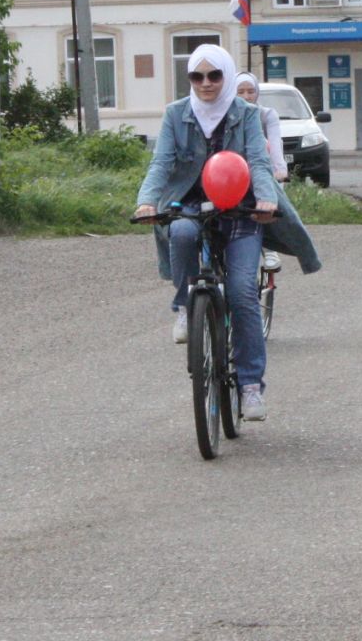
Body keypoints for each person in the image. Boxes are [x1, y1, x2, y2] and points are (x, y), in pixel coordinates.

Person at [135, 44, 321, 421]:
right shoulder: (175, 114)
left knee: (241, 292)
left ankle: (251, 386)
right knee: (183, 235)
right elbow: (161, 163)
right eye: (197, 76)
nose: (206, 84)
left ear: (227, 75)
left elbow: (257, 160)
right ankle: (186, 306)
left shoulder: (247, 114)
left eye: (214, 75)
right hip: (190, 206)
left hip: (241, 209)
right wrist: (147, 201)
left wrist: (266, 200)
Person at [234, 73, 288, 273]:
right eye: (240, 92)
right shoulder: (226, 114)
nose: (246, 96)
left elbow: (274, 144)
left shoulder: (266, 115)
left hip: (263, 166)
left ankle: (271, 248)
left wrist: (279, 170)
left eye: (251, 91)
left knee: (266, 200)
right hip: (234, 171)